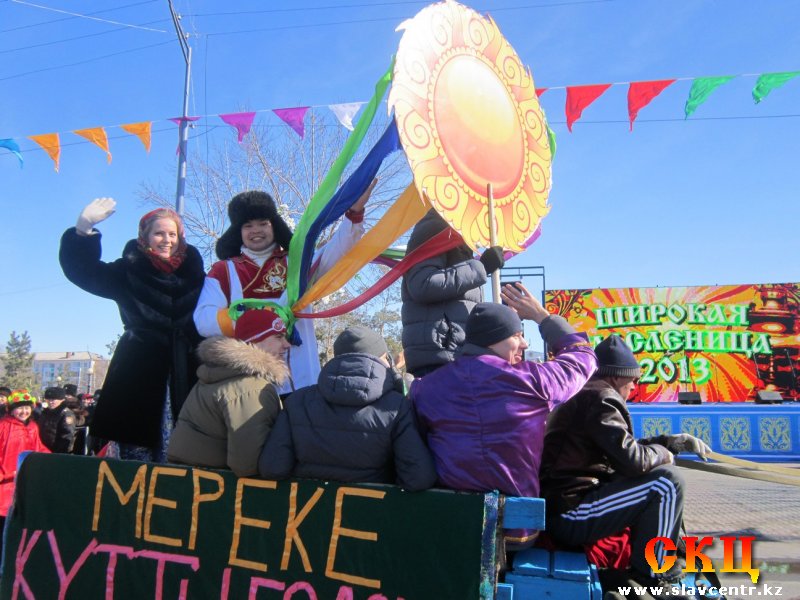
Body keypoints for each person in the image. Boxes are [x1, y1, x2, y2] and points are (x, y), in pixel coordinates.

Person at [411, 284, 597, 547]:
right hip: (516, 533)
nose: (524, 343)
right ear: (495, 338)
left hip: (451, 524)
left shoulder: (424, 388)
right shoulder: (533, 381)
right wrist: (543, 317)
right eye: (518, 335)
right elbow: (583, 357)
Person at [539, 334, 712, 589]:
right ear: (617, 376)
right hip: (570, 512)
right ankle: (657, 577)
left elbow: (621, 448)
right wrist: (665, 454)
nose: (634, 387)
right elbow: (633, 462)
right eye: (633, 380)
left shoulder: (587, 392)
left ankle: (667, 558)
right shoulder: (601, 398)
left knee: (661, 477)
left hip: (565, 504)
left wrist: (667, 442)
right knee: (667, 483)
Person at [59, 198, 206, 462]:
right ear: (145, 237)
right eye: (159, 233)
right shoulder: (129, 270)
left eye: (172, 234)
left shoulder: (196, 274)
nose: (166, 240)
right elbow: (84, 272)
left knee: (190, 449)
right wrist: (83, 229)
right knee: (134, 451)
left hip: (188, 368)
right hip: (138, 368)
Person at [193, 183, 374, 396]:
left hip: (302, 379)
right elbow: (204, 319)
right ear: (238, 231)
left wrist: (354, 214)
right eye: (248, 225)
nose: (256, 231)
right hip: (248, 384)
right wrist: (264, 320)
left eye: (263, 223)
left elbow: (334, 255)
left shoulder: (297, 262)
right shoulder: (224, 270)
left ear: (274, 226)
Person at [259, 326, 437, 491]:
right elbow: (418, 477)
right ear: (382, 359)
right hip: (371, 515)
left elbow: (273, 468)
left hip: (306, 516)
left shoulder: (297, 401)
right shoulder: (396, 407)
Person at [168, 308, 290, 477]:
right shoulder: (251, 387)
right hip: (209, 487)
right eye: (278, 337)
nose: (287, 344)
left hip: (184, 478)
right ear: (255, 340)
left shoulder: (217, 375)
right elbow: (248, 466)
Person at [401, 208, 505, 378]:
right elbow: (422, 284)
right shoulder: (437, 224)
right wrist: (481, 268)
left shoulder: (459, 234)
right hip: (440, 354)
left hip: (455, 352)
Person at [0, 390, 50, 552]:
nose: (24, 412)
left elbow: (39, 449)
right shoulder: (3, 427)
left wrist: (53, 460)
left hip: (24, 486)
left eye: (27, 407)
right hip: (4, 488)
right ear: (11, 409)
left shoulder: (33, 427)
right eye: (19, 408)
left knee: (18, 530)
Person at [37, 386, 77, 453]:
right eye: (48, 399)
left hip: (56, 451)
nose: (50, 402)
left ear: (61, 400)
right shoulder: (45, 412)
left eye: (53, 400)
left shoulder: (66, 414)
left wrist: (59, 452)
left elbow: (67, 435)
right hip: (43, 449)